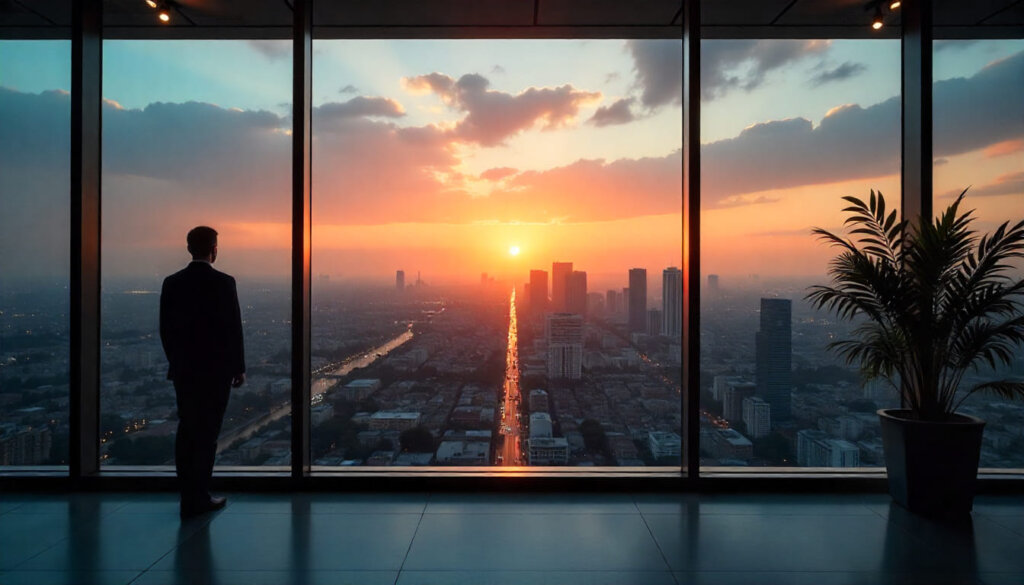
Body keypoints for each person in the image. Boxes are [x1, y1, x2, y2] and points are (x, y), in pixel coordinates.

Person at [160, 226, 245, 518]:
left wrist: (178, 362)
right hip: (216, 371)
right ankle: (201, 495)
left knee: (187, 431)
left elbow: (166, 330)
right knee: (208, 433)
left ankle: (187, 496)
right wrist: (238, 368)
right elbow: (233, 328)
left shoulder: (172, 283)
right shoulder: (224, 283)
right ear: (214, 249)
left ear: (188, 249)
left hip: (185, 372)